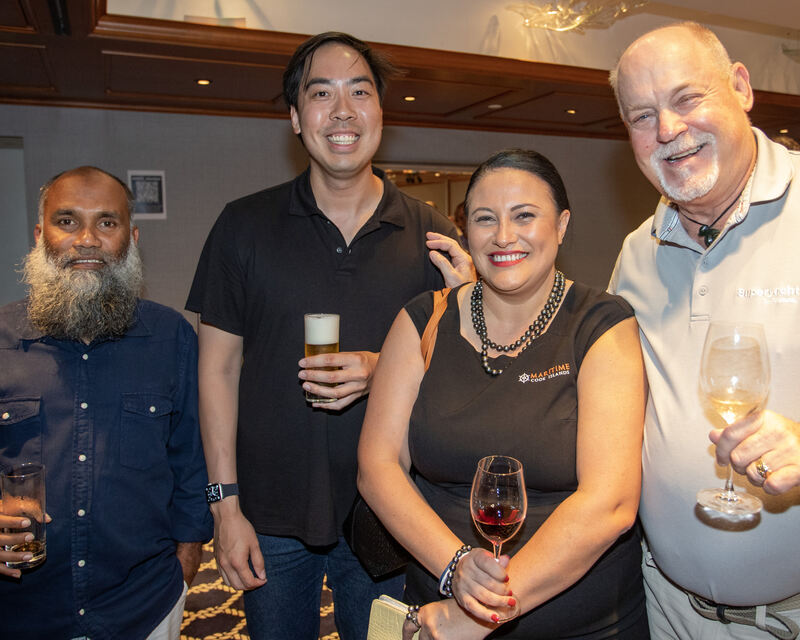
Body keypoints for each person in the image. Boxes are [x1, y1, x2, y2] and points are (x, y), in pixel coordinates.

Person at [185, 32, 473, 640]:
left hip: (390, 514)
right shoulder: (243, 226)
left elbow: (464, 377)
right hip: (268, 512)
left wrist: (391, 359)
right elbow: (217, 370)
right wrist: (224, 505)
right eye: (321, 94)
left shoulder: (432, 236)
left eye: (359, 92)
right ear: (295, 117)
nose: (343, 111)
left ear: (381, 113)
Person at [358, 149, 649, 639]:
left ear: (561, 225)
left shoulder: (602, 324)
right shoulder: (422, 319)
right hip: (437, 609)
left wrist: (478, 614)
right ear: (465, 229)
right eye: (485, 218)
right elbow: (378, 465)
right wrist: (455, 567)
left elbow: (611, 501)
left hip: (580, 625)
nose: (503, 236)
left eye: (524, 216)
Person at [608, 21, 800, 639]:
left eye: (687, 98)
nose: (667, 130)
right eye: (642, 116)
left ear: (740, 86)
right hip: (663, 608)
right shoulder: (637, 252)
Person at [0, 166, 212, 639]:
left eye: (107, 222)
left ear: (131, 239)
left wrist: (186, 563)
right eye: (67, 221)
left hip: (144, 606)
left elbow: (191, 461)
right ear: (40, 235)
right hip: (21, 611)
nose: (87, 240)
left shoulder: (170, 337)